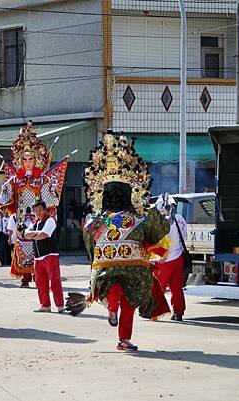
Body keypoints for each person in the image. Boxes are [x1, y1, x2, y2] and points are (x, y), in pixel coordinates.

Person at [78, 131, 171, 351]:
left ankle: (111, 303)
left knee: (111, 281)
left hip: (104, 263)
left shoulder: (96, 221)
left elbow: (89, 245)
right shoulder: (139, 217)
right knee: (130, 301)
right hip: (134, 264)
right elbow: (157, 234)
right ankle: (124, 339)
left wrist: (95, 260)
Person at [0, 121, 63, 287]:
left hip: (37, 217)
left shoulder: (42, 179)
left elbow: (51, 200)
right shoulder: (16, 179)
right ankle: (25, 277)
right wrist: (3, 199)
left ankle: (39, 276)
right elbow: (6, 194)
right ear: (20, 160)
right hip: (20, 216)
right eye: (24, 159)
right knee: (22, 246)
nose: (27, 162)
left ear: (36, 159)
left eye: (31, 159)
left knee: (38, 246)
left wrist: (51, 188)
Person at [22, 200, 64, 313]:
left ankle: (60, 305)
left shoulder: (50, 220)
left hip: (50, 254)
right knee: (40, 282)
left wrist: (33, 234)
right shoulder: (35, 222)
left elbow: (44, 235)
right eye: (36, 211)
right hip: (38, 256)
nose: (38, 212)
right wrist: (36, 234)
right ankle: (45, 305)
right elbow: (25, 234)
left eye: (40, 210)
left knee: (55, 281)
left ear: (45, 209)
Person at [151, 194, 187, 322]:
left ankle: (154, 312)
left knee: (159, 286)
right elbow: (184, 238)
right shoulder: (181, 219)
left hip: (165, 259)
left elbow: (161, 241)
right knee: (176, 288)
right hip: (179, 258)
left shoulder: (165, 222)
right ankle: (178, 312)